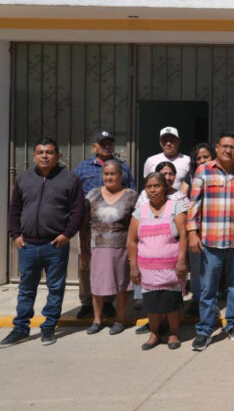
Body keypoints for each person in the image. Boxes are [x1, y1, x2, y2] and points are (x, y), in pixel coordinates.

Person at [0, 138, 85, 348]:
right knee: (26, 289)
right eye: (40, 152)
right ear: (34, 156)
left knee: (55, 287)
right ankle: (21, 328)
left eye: (49, 152)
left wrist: (67, 235)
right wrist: (15, 235)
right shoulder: (23, 179)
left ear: (58, 156)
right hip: (27, 245)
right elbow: (14, 209)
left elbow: (78, 211)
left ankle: (49, 326)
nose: (44, 156)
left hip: (55, 245)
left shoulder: (70, 179)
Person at [188, 131, 234, 351]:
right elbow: (194, 204)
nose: (228, 150)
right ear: (217, 148)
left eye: (233, 147)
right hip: (210, 241)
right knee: (208, 290)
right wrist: (192, 233)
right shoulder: (204, 171)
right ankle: (205, 330)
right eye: (225, 146)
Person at [73, 130, 135, 320]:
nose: (106, 146)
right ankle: (86, 303)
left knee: (114, 266)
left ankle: (108, 303)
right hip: (89, 226)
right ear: (94, 147)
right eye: (102, 143)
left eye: (109, 143)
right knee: (86, 265)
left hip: (115, 228)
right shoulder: (83, 167)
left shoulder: (123, 167)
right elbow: (75, 194)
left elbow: (131, 194)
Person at [127, 172, 188, 350]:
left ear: (165, 188)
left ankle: (173, 333)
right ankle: (154, 334)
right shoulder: (140, 211)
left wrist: (182, 261)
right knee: (151, 302)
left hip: (171, 268)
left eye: (157, 186)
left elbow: (184, 236)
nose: (152, 190)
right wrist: (133, 266)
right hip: (147, 270)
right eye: (149, 187)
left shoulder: (175, 207)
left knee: (171, 302)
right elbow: (131, 241)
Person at [80, 159, 138, 336]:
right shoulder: (93, 194)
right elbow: (84, 224)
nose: (109, 177)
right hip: (97, 247)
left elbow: (136, 224)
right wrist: (83, 247)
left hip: (122, 248)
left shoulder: (131, 195)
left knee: (121, 286)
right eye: (106, 174)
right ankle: (97, 320)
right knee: (97, 286)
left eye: (113, 174)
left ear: (121, 176)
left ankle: (120, 319)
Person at [186, 143, 214, 317]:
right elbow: (186, 202)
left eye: (206, 157)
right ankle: (196, 302)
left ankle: (210, 303)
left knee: (212, 269)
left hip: (214, 231)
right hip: (196, 231)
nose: (203, 160)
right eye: (199, 158)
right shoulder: (189, 178)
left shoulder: (219, 175)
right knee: (196, 270)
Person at [143, 126, 191, 192]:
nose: (168, 143)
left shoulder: (188, 161)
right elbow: (147, 184)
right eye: (165, 140)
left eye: (172, 140)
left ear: (178, 142)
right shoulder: (150, 161)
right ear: (160, 143)